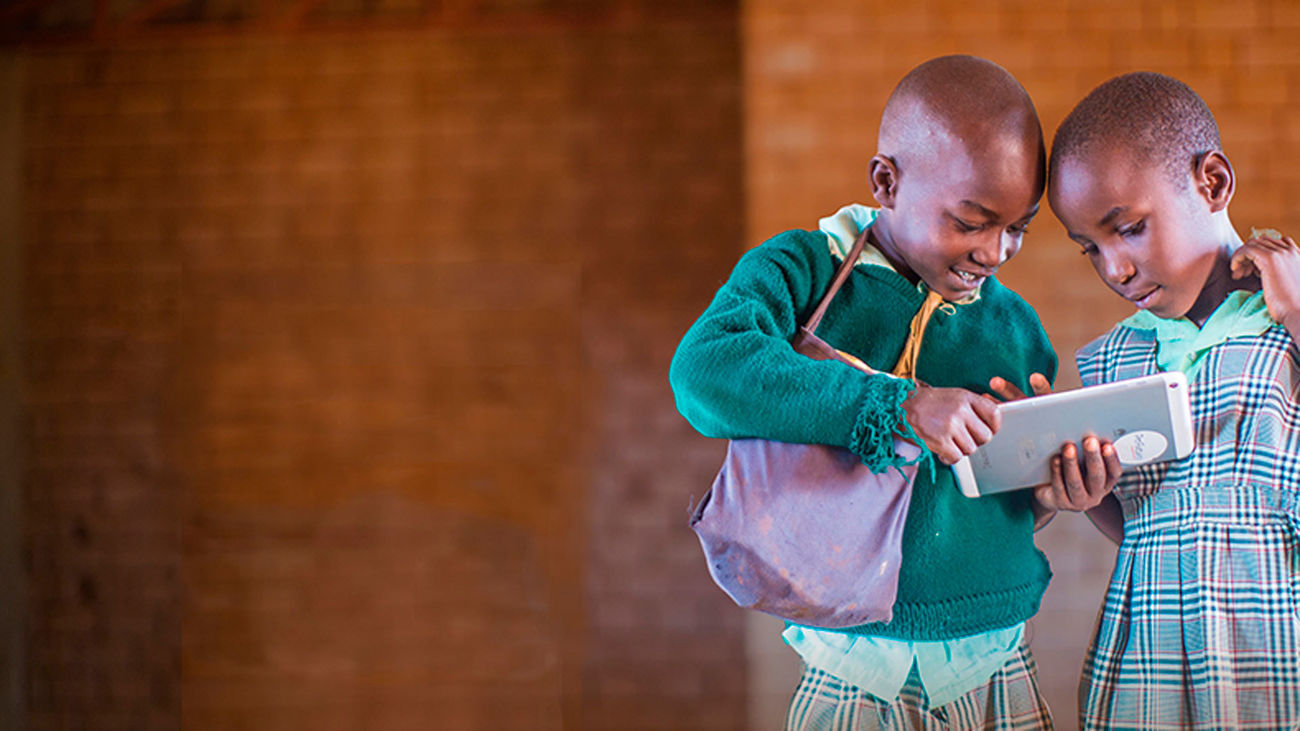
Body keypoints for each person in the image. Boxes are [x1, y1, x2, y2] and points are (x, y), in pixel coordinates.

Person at [670, 54, 1119, 730]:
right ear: (886, 181)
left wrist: (1051, 493)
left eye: (1018, 227)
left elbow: (1009, 512)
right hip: (853, 668)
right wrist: (899, 406)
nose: (996, 251)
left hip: (998, 660)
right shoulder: (806, 269)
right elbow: (704, 370)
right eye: (970, 222)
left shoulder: (1017, 328)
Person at [1049, 71, 1300, 729]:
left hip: (1273, 654)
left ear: (1212, 182)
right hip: (1148, 663)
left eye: (1129, 228)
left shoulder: (1288, 324)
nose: (1115, 269)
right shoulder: (1113, 360)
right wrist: (1088, 491)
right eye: (1091, 249)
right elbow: (1143, 523)